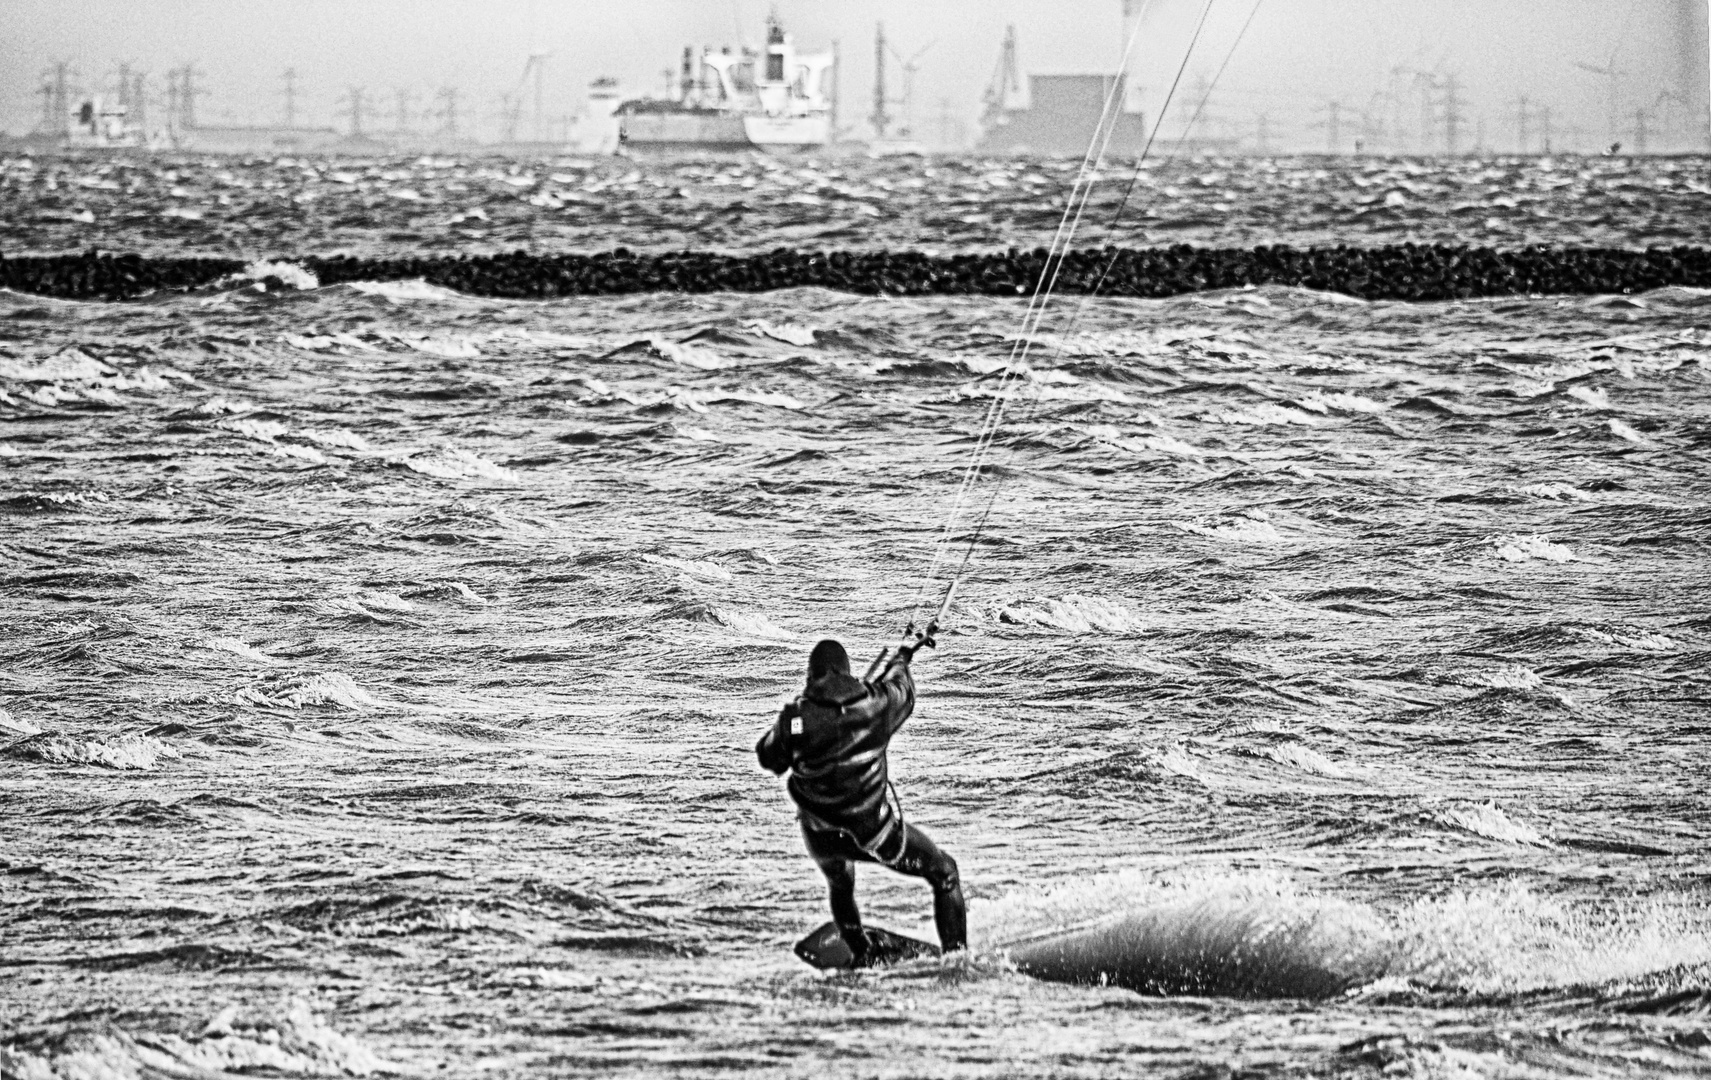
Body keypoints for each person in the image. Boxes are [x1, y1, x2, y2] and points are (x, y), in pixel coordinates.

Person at [756, 632, 966, 966]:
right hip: (875, 835)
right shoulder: (875, 703)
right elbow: (904, 690)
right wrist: (901, 659)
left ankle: (863, 951)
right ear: (847, 673)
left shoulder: (793, 720)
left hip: (821, 837)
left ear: (811, 678)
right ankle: (958, 963)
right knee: (945, 872)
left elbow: (770, 759)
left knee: (840, 882)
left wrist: (799, 719)